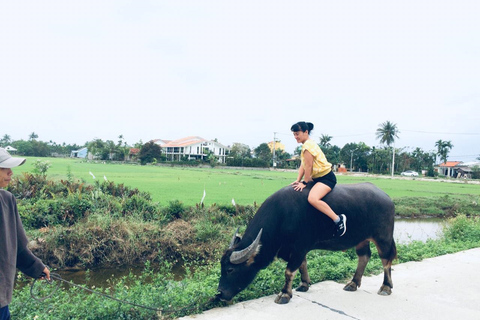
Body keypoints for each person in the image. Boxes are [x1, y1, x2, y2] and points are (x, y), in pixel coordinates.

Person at [0, 148, 50, 320]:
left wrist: (37, 267)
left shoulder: (7, 200)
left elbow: (17, 248)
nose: (10, 172)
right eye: (4, 167)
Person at [290, 122, 347, 237]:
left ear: (306, 132)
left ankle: (338, 220)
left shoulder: (308, 147)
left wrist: (305, 182)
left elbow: (309, 167)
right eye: (294, 134)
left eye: (297, 134)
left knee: (313, 199)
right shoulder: (307, 144)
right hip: (317, 178)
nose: (295, 137)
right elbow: (303, 164)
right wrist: (298, 180)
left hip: (326, 178)